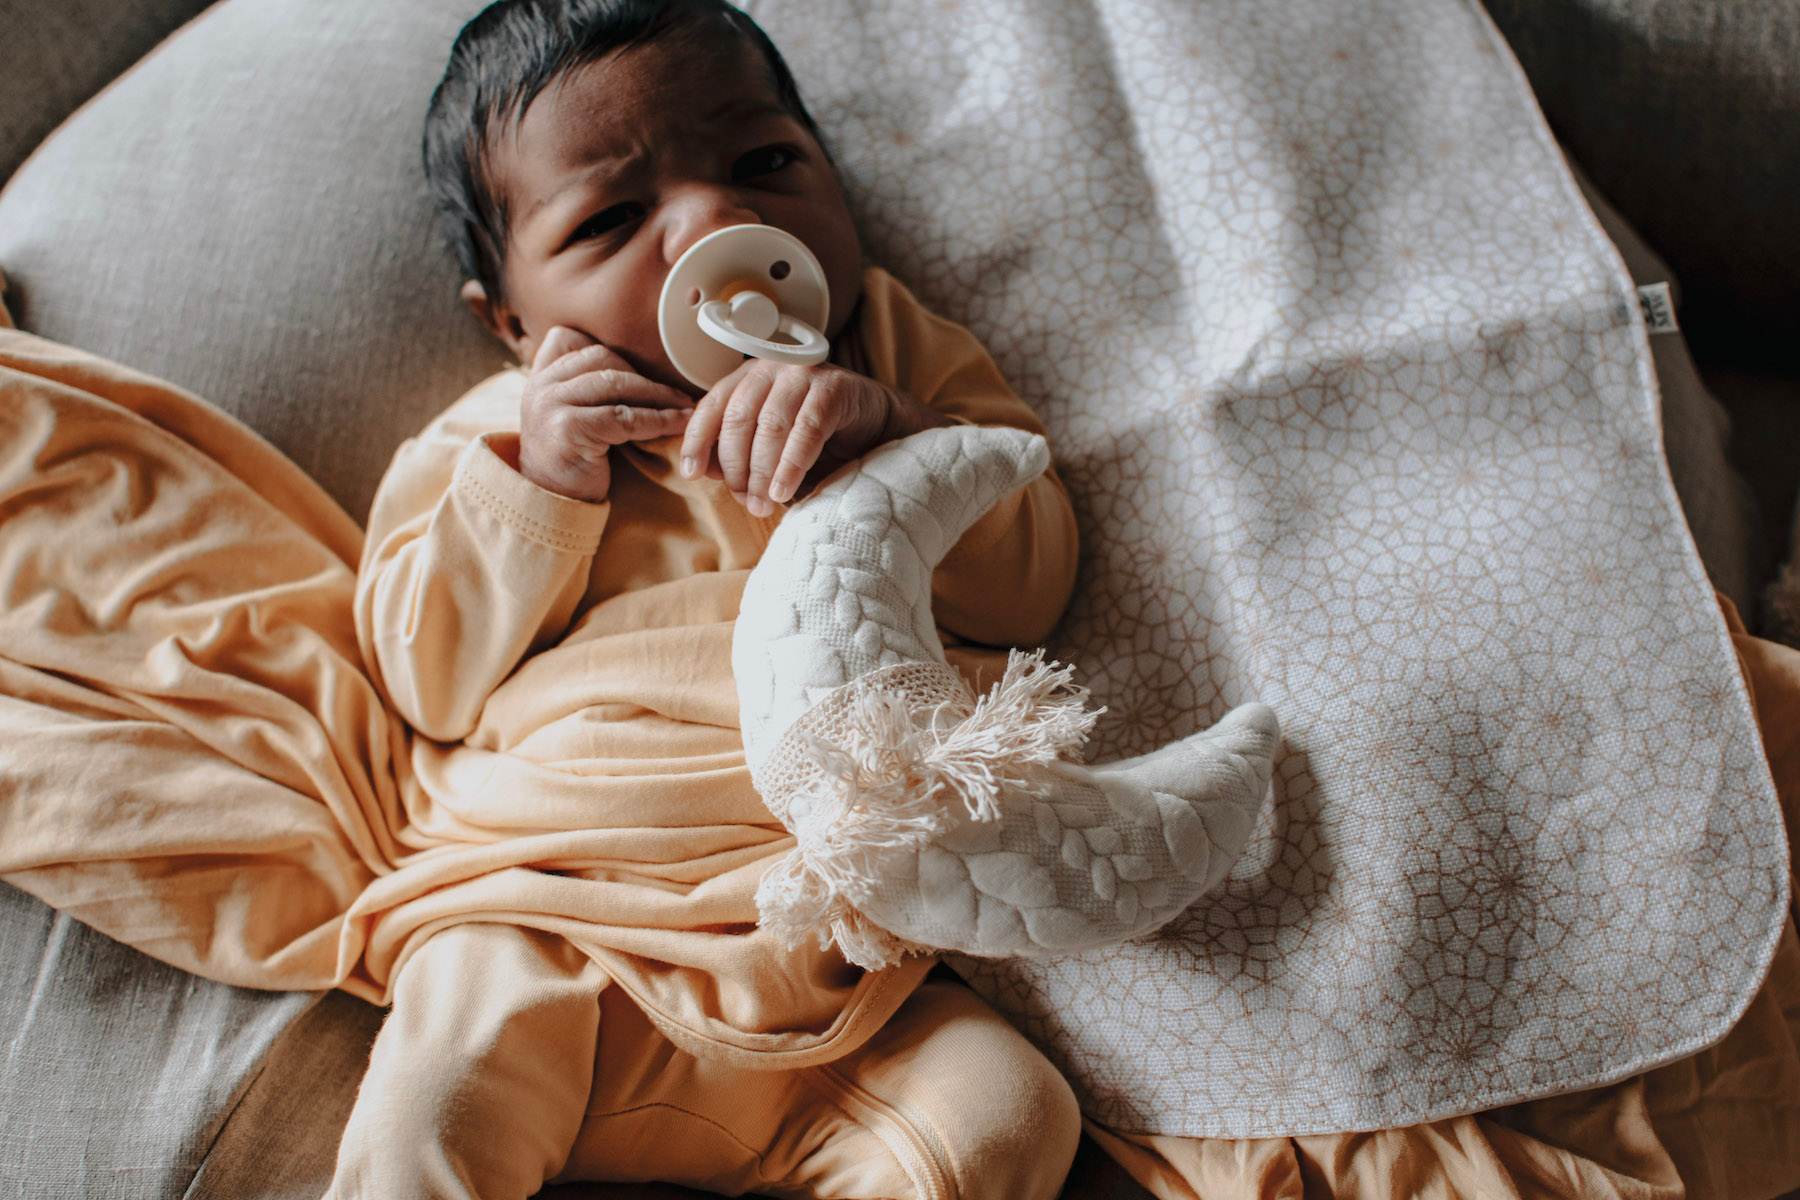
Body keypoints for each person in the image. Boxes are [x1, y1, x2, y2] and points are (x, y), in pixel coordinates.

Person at [338, 0, 1084, 1196]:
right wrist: (541, 481)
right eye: (616, 218)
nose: (719, 222)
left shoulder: (890, 355)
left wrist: (891, 442)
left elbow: (1034, 589)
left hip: (837, 942)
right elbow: (421, 677)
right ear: (513, 322)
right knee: (435, 1111)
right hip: (548, 911)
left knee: (1003, 1122)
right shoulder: (491, 442)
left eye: (764, 164)